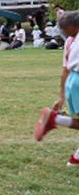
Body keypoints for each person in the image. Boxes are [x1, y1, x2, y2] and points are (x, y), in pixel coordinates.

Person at [33, 11, 79, 166]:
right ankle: (55, 119)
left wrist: (61, 96)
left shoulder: (71, 42)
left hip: (73, 81)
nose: (64, 34)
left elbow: (65, 69)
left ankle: (76, 159)